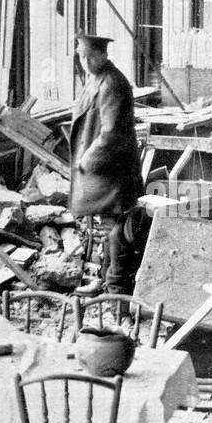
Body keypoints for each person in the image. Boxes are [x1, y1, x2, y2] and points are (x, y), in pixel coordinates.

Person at [68, 34, 145, 295]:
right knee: (106, 227)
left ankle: (117, 290)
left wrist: (86, 161)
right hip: (104, 170)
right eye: (81, 56)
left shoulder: (112, 83)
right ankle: (104, 280)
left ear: (103, 55)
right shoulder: (95, 80)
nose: (85, 61)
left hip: (113, 170)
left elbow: (111, 134)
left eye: (90, 56)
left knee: (117, 231)